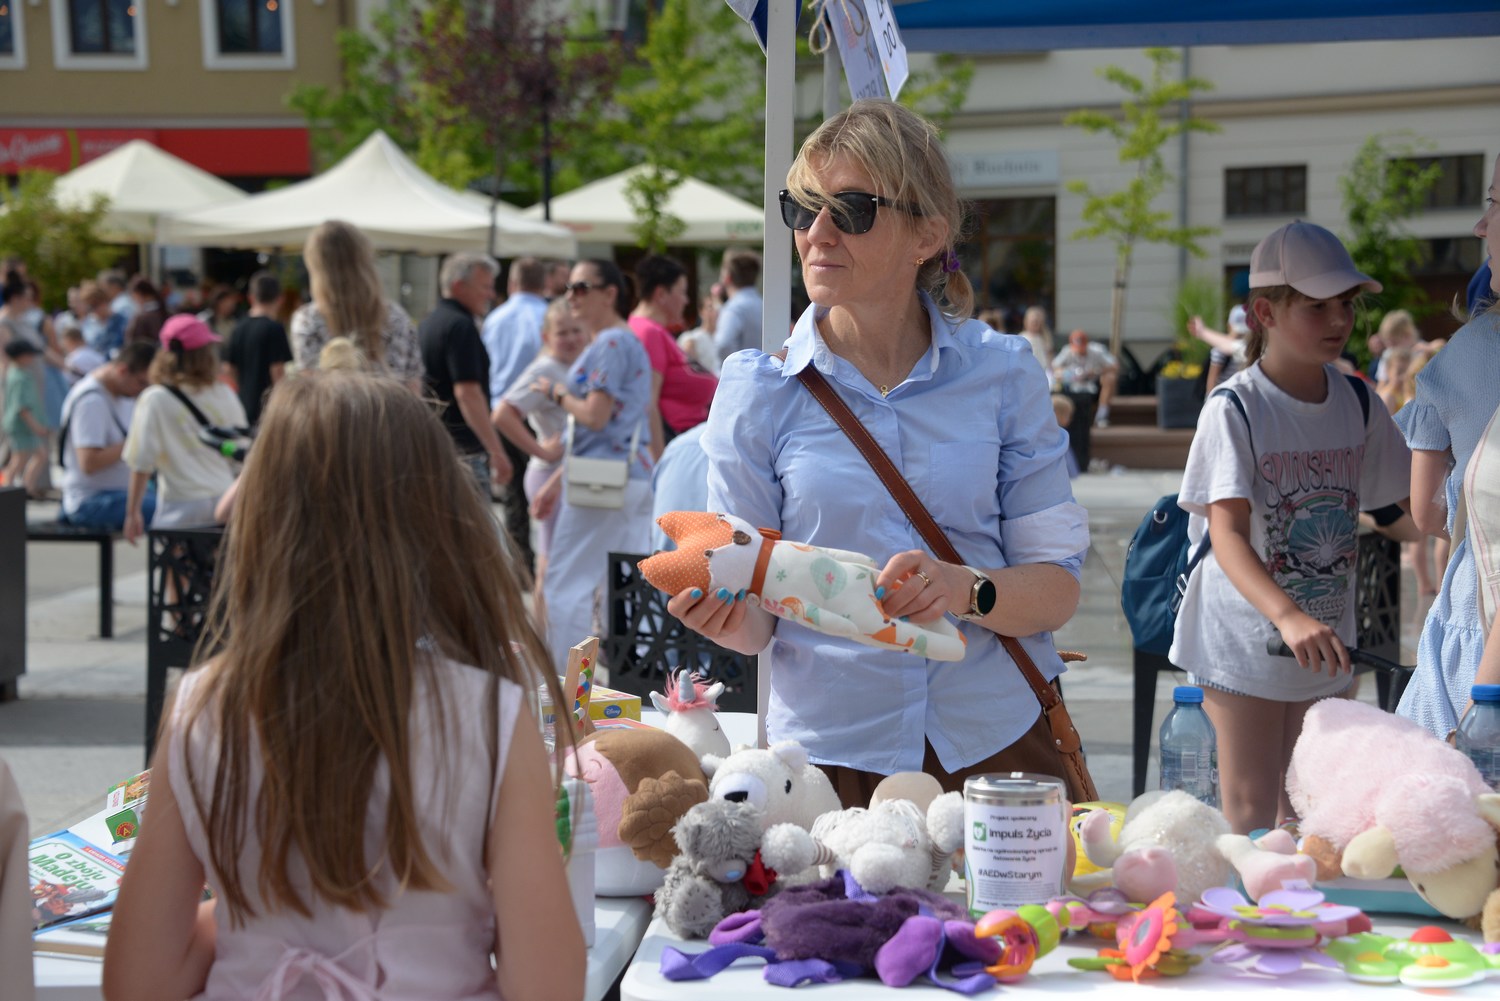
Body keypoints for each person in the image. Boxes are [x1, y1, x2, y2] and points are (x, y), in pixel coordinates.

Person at [101, 370, 585, 1001]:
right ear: (439, 521)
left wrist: (256, 923)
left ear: (260, 520)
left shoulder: (203, 707)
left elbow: (139, 980)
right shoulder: (489, 714)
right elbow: (548, 984)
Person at [666, 99, 1088, 806]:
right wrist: (723, 616)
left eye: (851, 209)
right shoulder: (757, 388)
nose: (817, 232)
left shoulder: (1002, 371)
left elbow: (1056, 589)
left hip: (994, 744)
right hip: (828, 765)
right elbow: (756, 615)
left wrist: (962, 588)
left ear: (927, 234)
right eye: (802, 208)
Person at [1169, 220, 1416, 835]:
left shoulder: (1359, 400)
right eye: (1317, 306)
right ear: (1265, 313)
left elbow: (1401, 510)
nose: (1339, 320)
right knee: (1250, 813)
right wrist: (1287, 616)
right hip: (1241, 640)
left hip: (1327, 643)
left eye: (1347, 305)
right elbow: (1226, 534)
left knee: (1313, 812)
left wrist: (1464, 530)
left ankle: (1299, 903)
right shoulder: (1236, 407)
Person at [1394, 156, 1500, 740]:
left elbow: (1426, 510)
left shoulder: (1464, 355)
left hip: (1474, 627)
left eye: (1495, 203)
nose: (1480, 226)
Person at [528, 259, 654, 671]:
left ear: (609, 293)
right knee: (622, 583)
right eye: (568, 288)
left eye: (581, 287)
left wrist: (556, 393)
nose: (571, 296)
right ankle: (623, 678)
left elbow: (595, 418)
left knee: (566, 584)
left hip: (602, 478)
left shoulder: (610, 342)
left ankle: (563, 686)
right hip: (628, 475)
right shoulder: (623, 341)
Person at [493, 299, 587, 626]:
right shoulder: (544, 369)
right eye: (562, 333)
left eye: (576, 330)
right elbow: (502, 414)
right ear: (546, 336)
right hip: (548, 475)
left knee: (567, 562)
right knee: (549, 561)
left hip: (570, 474)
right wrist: (541, 450)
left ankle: (558, 635)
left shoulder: (579, 363)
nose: (571, 338)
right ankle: (544, 637)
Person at [122, 316, 246, 542]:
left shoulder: (154, 398)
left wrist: (132, 512)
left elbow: (141, 461)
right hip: (225, 500)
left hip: (180, 507)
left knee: (176, 564)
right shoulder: (223, 393)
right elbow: (241, 450)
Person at [418, 253, 512, 498]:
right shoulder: (460, 326)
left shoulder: (429, 322)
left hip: (435, 447)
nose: (491, 294)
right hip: (464, 453)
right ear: (459, 286)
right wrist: (496, 451)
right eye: (485, 287)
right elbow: (468, 393)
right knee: (474, 522)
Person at [290, 220, 423, 391]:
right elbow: (413, 389)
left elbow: (311, 392)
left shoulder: (307, 321)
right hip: (392, 407)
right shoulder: (396, 317)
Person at [482, 256, 551, 572]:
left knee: (514, 496)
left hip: (502, 412)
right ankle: (545, 560)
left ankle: (520, 563)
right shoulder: (548, 316)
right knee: (546, 492)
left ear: (512, 283)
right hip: (541, 414)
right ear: (544, 283)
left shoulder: (495, 319)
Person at [57, 342, 157, 530]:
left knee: (181, 503)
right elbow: (89, 463)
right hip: (91, 501)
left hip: (117, 493)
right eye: (142, 383)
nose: (143, 390)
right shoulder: (91, 401)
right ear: (122, 370)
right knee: (169, 512)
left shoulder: (120, 393)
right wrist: (136, 441)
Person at [628, 255, 719, 457]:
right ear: (661, 294)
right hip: (676, 448)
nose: (686, 301)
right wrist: (659, 463)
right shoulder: (648, 332)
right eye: (682, 292)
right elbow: (647, 402)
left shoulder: (651, 330)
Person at [222, 271, 293, 426]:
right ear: (280, 299)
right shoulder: (275, 328)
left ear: (251, 298)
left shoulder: (238, 327)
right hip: (268, 407)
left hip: (242, 404)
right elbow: (277, 371)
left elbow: (228, 368)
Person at [1050, 329, 1117, 470]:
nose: (1079, 352)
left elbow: (1114, 366)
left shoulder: (1097, 350)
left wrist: (1096, 371)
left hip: (1094, 386)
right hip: (1074, 387)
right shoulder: (1067, 351)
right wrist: (1066, 373)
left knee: (1110, 378)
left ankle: (1101, 415)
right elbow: (1054, 367)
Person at [2, 341, 48, 496]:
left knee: (38, 455)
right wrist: (36, 426)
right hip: (21, 425)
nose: (32, 358)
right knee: (19, 459)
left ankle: (27, 487)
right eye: (29, 355)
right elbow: (22, 407)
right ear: (20, 356)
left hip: (25, 425)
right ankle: (8, 488)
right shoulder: (19, 377)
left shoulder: (21, 373)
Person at [713, 248, 763, 363]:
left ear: (727, 278)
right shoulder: (764, 305)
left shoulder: (733, 308)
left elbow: (723, 344)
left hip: (740, 371)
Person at [1189, 304, 1251, 394]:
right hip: (1232, 395)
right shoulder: (1251, 350)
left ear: (1229, 325)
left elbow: (1212, 381)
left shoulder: (1221, 349)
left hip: (1225, 395)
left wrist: (1202, 332)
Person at [678, 283, 725, 377]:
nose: (715, 312)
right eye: (710, 308)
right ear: (701, 311)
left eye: (717, 307)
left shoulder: (724, 338)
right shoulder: (692, 339)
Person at [122, 277, 169, 346]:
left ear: (138, 294)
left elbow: (131, 344)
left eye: (134, 297)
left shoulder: (142, 317)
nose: (134, 300)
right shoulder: (167, 312)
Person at [1018, 306, 1055, 385]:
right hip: (1028, 374)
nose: (1035, 324)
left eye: (1037, 322)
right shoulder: (1022, 338)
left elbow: (1049, 356)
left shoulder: (1045, 337)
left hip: (1043, 372)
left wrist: (1051, 370)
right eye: (1033, 322)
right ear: (1026, 322)